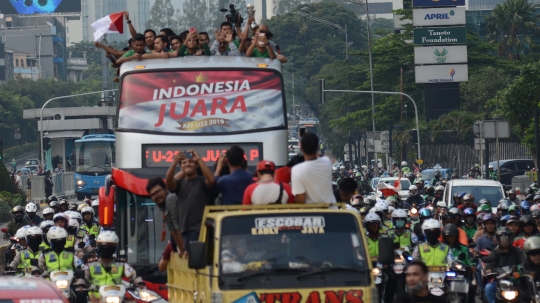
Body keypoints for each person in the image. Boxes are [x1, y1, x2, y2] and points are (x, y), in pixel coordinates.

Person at [166, 150, 215, 250]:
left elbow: (211, 180)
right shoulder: (179, 184)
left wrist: (199, 160)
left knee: (195, 260)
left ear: (196, 165)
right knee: (189, 262)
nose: (187, 164)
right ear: (181, 167)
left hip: (199, 229)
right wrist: (174, 162)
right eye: (184, 162)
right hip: (185, 231)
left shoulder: (201, 182)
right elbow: (169, 182)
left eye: (191, 162)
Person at [83, 231, 143, 298]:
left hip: (116, 296)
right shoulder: (92, 263)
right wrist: (81, 284)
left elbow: (133, 275)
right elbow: (84, 277)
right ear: (99, 247)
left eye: (110, 246)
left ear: (114, 248)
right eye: (104, 246)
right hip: (96, 298)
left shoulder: (121, 264)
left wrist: (139, 283)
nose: (107, 249)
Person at [484, 227, 526, 303]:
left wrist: (519, 268)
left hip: (516, 279)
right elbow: (490, 263)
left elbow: (524, 262)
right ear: (498, 240)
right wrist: (488, 269)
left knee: (527, 289)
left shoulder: (518, 251)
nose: (504, 241)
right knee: (488, 288)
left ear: (511, 239)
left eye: (506, 238)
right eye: (502, 238)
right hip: (500, 280)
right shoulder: (495, 252)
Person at [291, 133, 336, 204]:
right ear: (317, 147)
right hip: (331, 212)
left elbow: (301, 199)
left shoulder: (297, 170)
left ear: (301, 148)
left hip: (312, 214)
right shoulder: (327, 162)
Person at [146, 177, 186, 255]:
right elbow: (172, 229)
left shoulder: (170, 199)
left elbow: (177, 227)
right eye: (153, 195)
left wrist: (183, 250)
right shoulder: (162, 206)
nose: (156, 196)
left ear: (166, 189)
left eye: (158, 191)